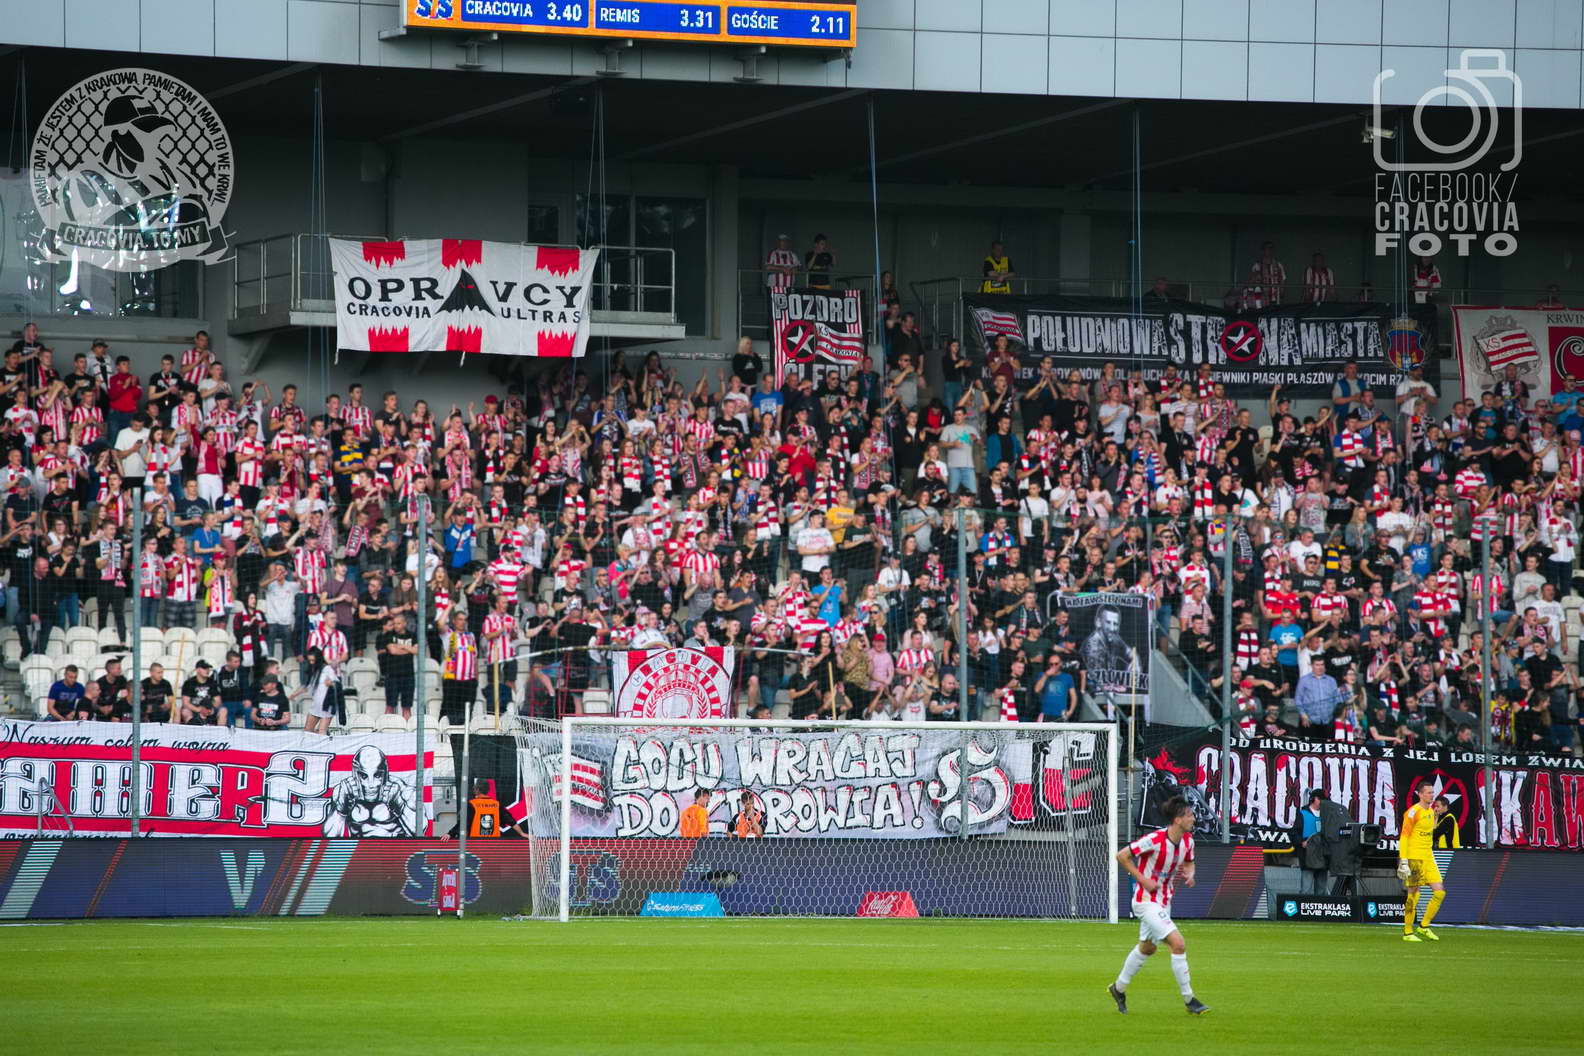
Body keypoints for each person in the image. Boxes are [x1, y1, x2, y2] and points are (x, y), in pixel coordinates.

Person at [1109, 796, 1209, 1016]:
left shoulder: (1187, 841)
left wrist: (1190, 874)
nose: (1193, 818)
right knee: (1178, 944)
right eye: (1189, 815)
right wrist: (1141, 879)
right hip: (1145, 901)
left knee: (1148, 948)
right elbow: (1122, 855)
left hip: (1164, 901)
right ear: (1177, 819)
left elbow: (1189, 861)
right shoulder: (1154, 840)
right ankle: (1190, 1000)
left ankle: (1118, 988)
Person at [1398, 781, 1446, 942]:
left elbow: (1427, 830)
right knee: (1414, 894)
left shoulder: (1432, 811)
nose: (1431, 795)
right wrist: (1403, 860)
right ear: (1419, 794)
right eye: (1428, 793)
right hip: (1414, 856)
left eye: (1432, 792)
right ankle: (1407, 932)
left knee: (1439, 891)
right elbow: (1404, 837)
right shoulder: (1412, 812)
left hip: (1428, 856)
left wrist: (1436, 818)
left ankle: (1424, 926)